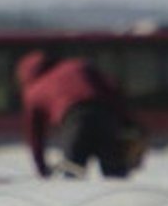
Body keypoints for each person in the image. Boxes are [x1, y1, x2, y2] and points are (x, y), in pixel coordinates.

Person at [14, 51, 145, 179]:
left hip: (74, 120)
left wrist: (41, 167)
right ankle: (123, 199)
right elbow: (113, 90)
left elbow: (35, 135)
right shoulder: (78, 66)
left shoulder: (32, 91)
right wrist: (130, 123)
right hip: (105, 115)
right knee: (115, 175)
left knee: (73, 173)